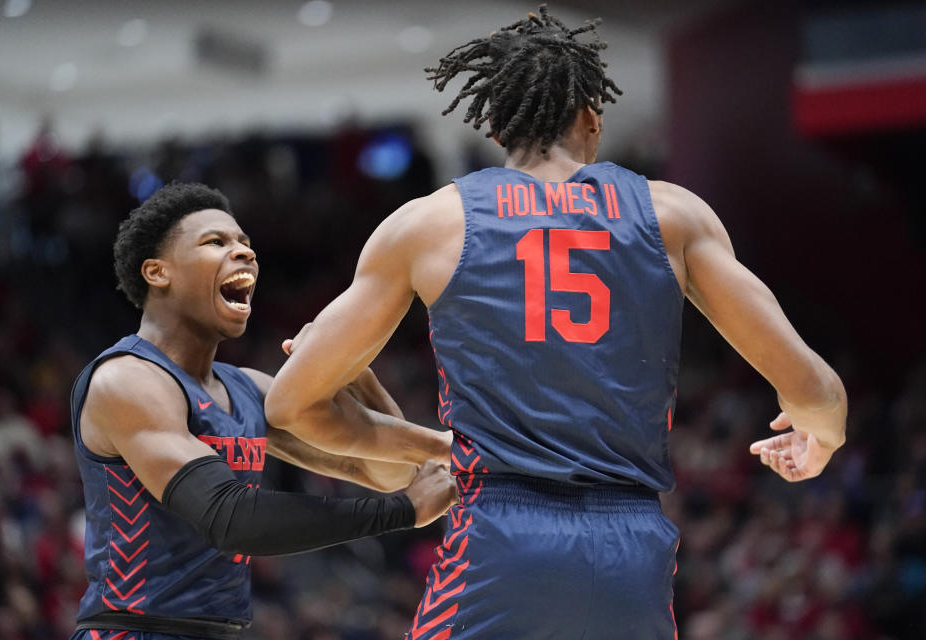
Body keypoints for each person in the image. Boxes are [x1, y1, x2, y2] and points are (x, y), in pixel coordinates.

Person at [264, 5, 848, 639]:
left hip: (500, 533)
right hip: (632, 549)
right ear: (592, 118)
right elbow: (818, 393)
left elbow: (292, 405)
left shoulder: (428, 226)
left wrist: (426, 446)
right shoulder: (674, 216)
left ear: (494, 127)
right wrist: (818, 439)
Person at [68, 182, 455, 640]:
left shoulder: (248, 387)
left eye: (246, 245)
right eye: (217, 242)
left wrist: (354, 372)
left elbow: (384, 471)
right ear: (157, 272)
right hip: (133, 630)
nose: (244, 253)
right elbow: (231, 519)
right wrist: (402, 512)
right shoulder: (127, 380)